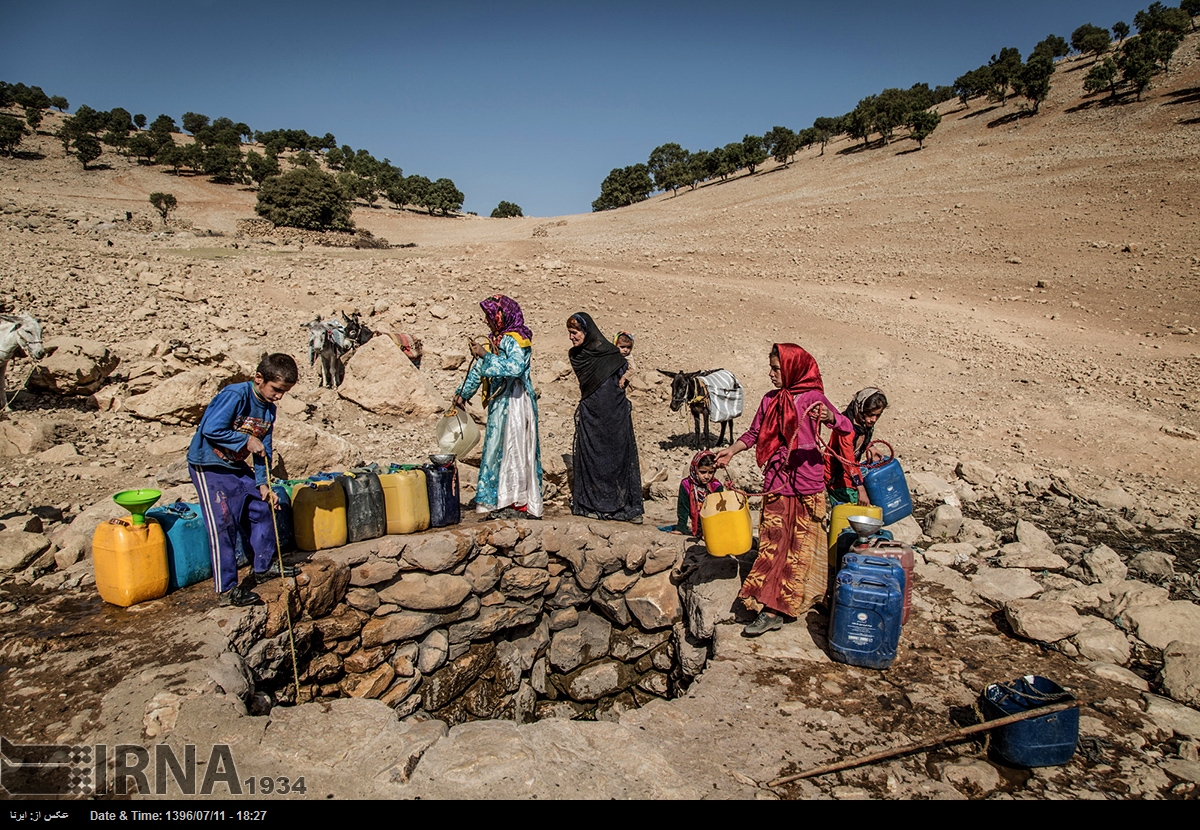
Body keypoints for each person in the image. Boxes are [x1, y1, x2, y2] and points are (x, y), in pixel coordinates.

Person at [714, 344, 854, 636]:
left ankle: (781, 607)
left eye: (776, 369)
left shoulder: (814, 399)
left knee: (799, 548)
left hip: (807, 484)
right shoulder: (769, 400)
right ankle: (769, 605)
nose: (771, 374)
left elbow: (845, 426)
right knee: (773, 543)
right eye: (772, 368)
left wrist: (829, 419)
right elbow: (754, 433)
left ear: (792, 369)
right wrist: (732, 451)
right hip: (777, 481)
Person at [188, 353, 299, 607]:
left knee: (262, 506)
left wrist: (263, 483)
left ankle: (263, 567)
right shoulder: (235, 395)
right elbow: (211, 429)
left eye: (284, 392)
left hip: (235, 464)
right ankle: (227, 589)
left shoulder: (269, 409)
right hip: (209, 465)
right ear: (259, 379)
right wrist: (246, 441)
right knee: (223, 522)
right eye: (276, 389)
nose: (279, 396)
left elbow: (263, 448)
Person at [453, 295, 543, 520]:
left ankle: (515, 500)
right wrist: (463, 394)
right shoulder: (496, 339)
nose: (485, 321)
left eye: (488, 316)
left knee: (513, 448)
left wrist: (485, 355)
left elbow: (515, 368)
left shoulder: (517, 340)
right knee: (496, 448)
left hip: (515, 402)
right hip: (500, 402)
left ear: (501, 317)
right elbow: (480, 368)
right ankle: (494, 498)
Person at [567, 312, 644, 523]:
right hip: (591, 413)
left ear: (587, 331)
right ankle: (591, 504)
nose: (572, 337)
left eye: (575, 333)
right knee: (593, 458)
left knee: (617, 457)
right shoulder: (576, 356)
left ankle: (621, 506)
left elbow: (624, 374)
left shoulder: (612, 353)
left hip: (615, 413)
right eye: (570, 333)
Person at [825, 387, 889, 507]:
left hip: (851, 475)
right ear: (860, 409)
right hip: (839, 479)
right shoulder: (846, 430)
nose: (873, 420)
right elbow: (847, 461)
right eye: (870, 415)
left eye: (877, 415)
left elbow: (862, 439)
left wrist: (870, 447)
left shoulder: (862, 423)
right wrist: (861, 489)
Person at [673, 450, 724, 536]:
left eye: (711, 472)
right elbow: (683, 508)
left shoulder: (716, 486)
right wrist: (681, 528)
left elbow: (718, 511)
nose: (707, 476)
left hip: (711, 522)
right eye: (703, 472)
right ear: (695, 469)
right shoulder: (686, 485)